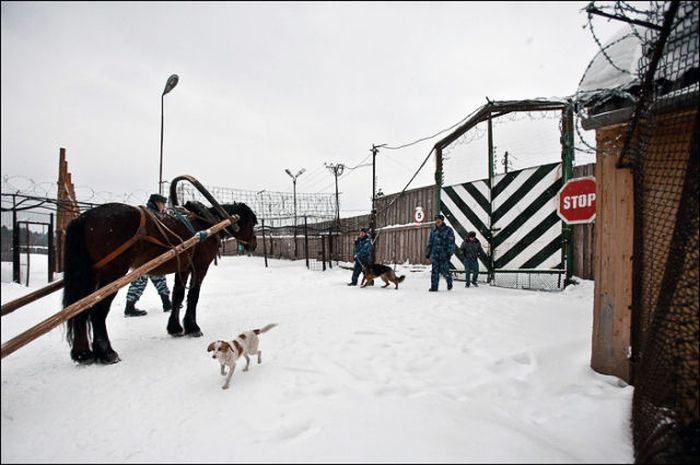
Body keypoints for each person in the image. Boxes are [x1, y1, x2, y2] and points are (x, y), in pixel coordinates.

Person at [124, 193, 173, 317]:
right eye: (162, 204)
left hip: (150, 254)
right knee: (140, 280)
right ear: (157, 203)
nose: (163, 206)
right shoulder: (151, 215)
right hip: (145, 254)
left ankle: (167, 303)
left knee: (159, 278)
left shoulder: (151, 214)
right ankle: (129, 308)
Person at [425, 214, 455, 292]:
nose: (437, 221)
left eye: (439, 220)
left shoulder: (448, 230)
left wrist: (449, 253)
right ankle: (434, 287)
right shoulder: (433, 230)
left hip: (444, 254)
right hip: (435, 254)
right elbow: (430, 242)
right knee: (434, 272)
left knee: (445, 271)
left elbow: (451, 242)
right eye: (436, 220)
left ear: (442, 221)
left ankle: (449, 282)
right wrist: (428, 253)